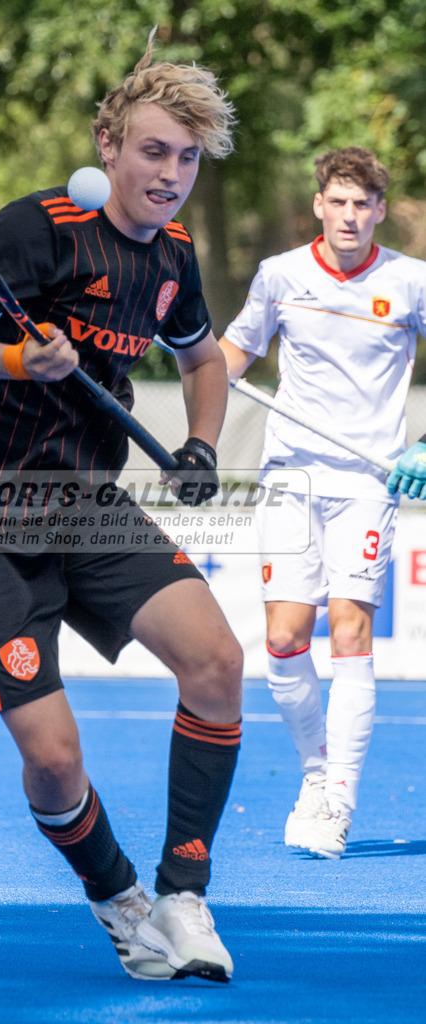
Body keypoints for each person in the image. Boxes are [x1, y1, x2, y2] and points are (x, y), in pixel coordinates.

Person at [0, 30, 243, 982]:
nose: (170, 173)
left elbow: (203, 357)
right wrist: (18, 356)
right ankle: (120, 901)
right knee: (53, 759)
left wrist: (203, 444)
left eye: (185, 157)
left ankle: (184, 894)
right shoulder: (38, 228)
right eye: (152, 150)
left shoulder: (172, 258)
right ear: (109, 145)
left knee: (216, 660)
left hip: (86, 502)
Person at [218, 147, 426, 860]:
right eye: (338, 201)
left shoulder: (409, 284)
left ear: (379, 210)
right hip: (290, 477)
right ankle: (314, 773)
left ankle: (339, 797)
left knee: (349, 633)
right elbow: (230, 358)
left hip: (368, 485)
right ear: (319, 204)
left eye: (363, 204)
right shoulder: (280, 276)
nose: (350, 215)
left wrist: (423, 445)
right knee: (282, 641)